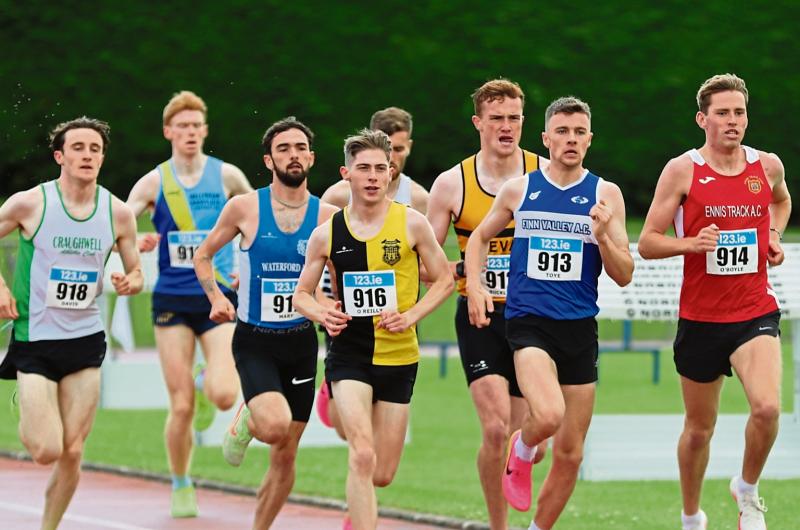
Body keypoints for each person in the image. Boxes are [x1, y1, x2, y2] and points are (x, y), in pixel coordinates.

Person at [466, 96, 633, 530]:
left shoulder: (604, 194)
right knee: (550, 414)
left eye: (579, 132)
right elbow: (479, 239)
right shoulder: (520, 189)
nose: (571, 140)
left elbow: (624, 273)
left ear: (590, 140)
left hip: (579, 328)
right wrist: (478, 284)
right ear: (546, 138)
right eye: (562, 131)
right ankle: (520, 451)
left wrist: (602, 236)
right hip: (528, 324)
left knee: (571, 452)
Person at [638, 74, 790, 530]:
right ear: (702, 119)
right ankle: (691, 516)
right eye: (722, 113)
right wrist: (691, 244)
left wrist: (772, 234)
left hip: (754, 310)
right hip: (701, 318)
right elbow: (646, 241)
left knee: (766, 408)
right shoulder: (682, 169)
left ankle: (746, 489)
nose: (732, 121)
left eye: (739, 112)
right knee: (699, 428)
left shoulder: (767, 166)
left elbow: (780, 203)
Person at [293, 129, 453, 530]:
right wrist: (323, 314)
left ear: (390, 172)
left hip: (400, 355)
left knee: (382, 472)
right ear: (346, 173)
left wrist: (412, 315)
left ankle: (360, 496)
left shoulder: (413, 224)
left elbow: (445, 279)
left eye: (380, 169)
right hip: (350, 355)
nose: (372, 177)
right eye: (363, 168)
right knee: (361, 456)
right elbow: (302, 295)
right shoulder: (327, 233)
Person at [192, 117, 337, 529]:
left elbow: (336, 277)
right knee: (273, 427)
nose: (293, 155)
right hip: (255, 339)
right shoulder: (245, 207)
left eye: (300, 148)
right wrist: (217, 297)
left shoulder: (327, 215)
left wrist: (330, 305)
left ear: (311, 156)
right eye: (284, 148)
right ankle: (248, 418)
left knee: (287, 452)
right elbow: (202, 255)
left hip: (301, 343)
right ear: (269, 160)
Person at [0, 117, 143, 530]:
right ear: (60, 156)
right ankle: (26, 405)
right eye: (78, 148)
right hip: (35, 340)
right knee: (46, 450)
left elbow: (135, 271)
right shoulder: (31, 203)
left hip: (85, 340)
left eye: (95, 149)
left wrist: (129, 281)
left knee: (74, 451)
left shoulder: (117, 212)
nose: (87, 155)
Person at [125, 90, 253, 517]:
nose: (190, 133)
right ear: (168, 132)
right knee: (178, 406)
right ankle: (181, 482)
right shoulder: (154, 181)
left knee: (221, 394)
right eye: (182, 126)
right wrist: (135, 243)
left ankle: (204, 384)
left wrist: (248, 264)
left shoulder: (229, 176)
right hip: (173, 303)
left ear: (205, 131)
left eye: (197, 126)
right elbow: (121, 221)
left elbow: (256, 221)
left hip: (219, 298)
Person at [426, 78, 546, 529]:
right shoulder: (451, 183)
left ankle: (523, 463)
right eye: (496, 118)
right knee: (495, 430)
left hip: (535, 318)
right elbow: (425, 258)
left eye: (514, 118)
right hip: (480, 316)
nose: (506, 127)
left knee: (530, 434)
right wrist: (466, 275)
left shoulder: (545, 173)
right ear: (478, 122)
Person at [318, 106, 429, 435]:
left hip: (398, 311)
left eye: (400, 149)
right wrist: (325, 301)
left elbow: (425, 262)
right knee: (352, 432)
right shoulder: (337, 196)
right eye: (389, 148)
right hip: (347, 309)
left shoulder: (418, 199)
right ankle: (333, 387)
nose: (394, 158)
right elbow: (321, 252)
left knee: (378, 436)